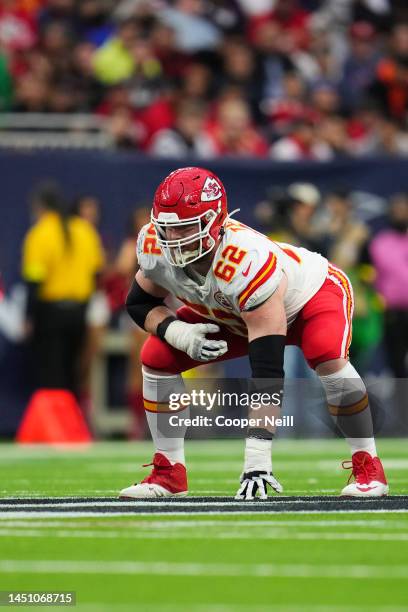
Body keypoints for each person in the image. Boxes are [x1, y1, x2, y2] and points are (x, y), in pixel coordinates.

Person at [120, 167, 388, 500]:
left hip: (312, 296)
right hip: (237, 311)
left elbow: (267, 373)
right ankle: (169, 474)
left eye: (186, 228)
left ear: (213, 223)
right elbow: (139, 302)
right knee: (156, 356)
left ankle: (369, 466)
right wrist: (176, 332)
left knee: (325, 354)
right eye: (168, 229)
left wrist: (257, 460)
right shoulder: (154, 245)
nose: (174, 240)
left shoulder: (245, 260)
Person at [22, 181, 104, 395]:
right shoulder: (85, 230)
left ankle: (55, 425)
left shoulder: (40, 234)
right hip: (79, 312)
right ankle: (71, 423)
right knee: (73, 375)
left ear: (40, 207)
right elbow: (96, 274)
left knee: (51, 375)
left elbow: (34, 281)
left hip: (50, 314)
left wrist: (29, 316)